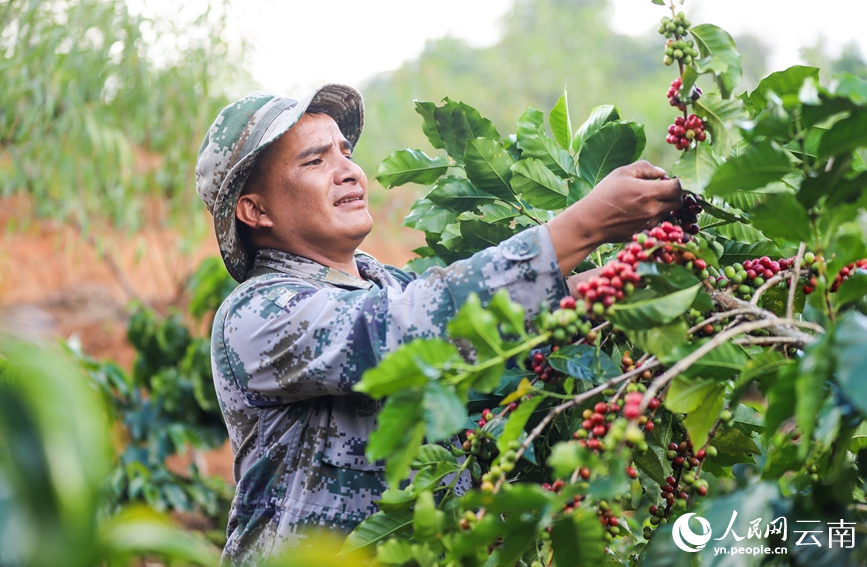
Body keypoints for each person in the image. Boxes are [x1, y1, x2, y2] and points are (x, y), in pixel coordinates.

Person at [196, 84, 682, 565]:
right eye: (315, 161)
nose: (348, 171)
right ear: (255, 210)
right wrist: (586, 225)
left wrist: (628, 275)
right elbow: (412, 327)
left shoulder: (389, 284)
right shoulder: (257, 314)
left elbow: (493, 331)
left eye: (346, 151)